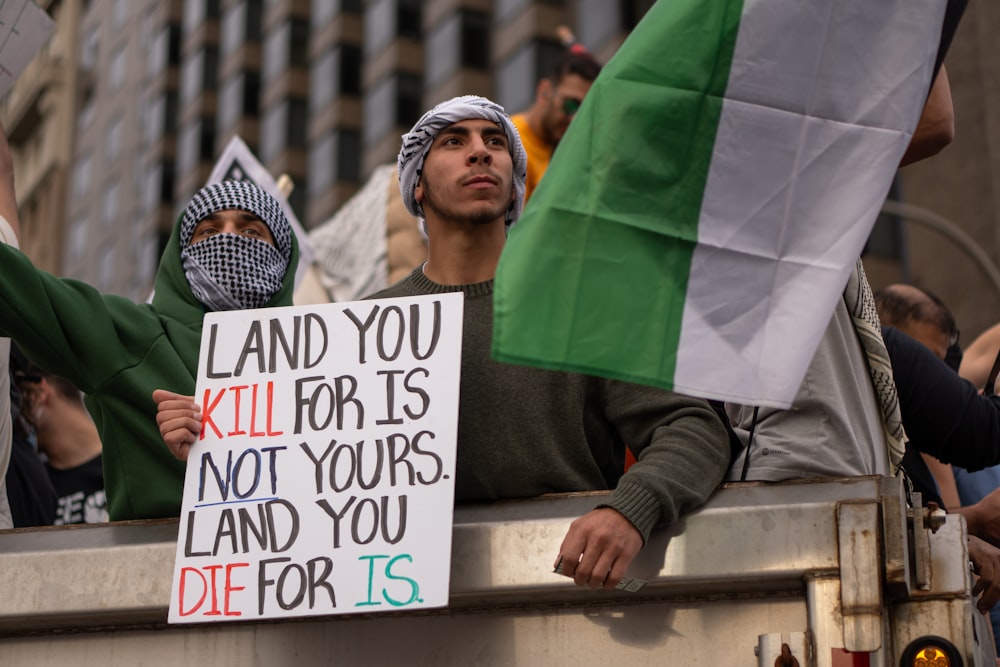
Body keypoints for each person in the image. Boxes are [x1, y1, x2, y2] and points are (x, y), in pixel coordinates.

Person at [156, 95, 732, 590]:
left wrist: (632, 508)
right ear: (418, 189)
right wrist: (213, 435)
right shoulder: (359, 328)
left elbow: (692, 428)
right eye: (453, 142)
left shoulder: (585, 305)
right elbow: (297, 477)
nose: (480, 151)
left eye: (494, 142)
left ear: (515, 187)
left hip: (567, 593)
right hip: (399, 609)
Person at [0, 163, 299, 520]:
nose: (229, 239)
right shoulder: (131, 336)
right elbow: (24, 293)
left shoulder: (320, 359)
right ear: (180, 256)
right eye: (208, 232)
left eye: (251, 231)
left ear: (283, 257)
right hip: (157, 571)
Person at [16, 363, 108, 525]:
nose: (15, 411)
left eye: (17, 395)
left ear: (39, 391)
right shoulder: (33, 486)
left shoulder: (123, 468)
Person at [512, 48, 601, 203]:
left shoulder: (565, 151)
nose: (574, 119)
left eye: (584, 112)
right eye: (571, 105)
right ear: (544, 92)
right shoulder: (509, 142)